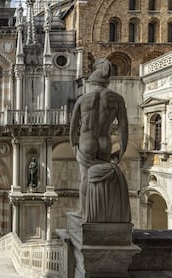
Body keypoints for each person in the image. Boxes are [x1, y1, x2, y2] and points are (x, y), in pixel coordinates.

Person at [69, 58, 128, 219]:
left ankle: (84, 212)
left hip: (86, 143)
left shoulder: (83, 99)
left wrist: (74, 144)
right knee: (102, 180)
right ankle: (101, 215)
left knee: (86, 179)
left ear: (92, 82)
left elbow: (73, 127)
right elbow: (123, 127)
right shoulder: (117, 99)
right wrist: (122, 150)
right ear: (106, 82)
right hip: (105, 143)